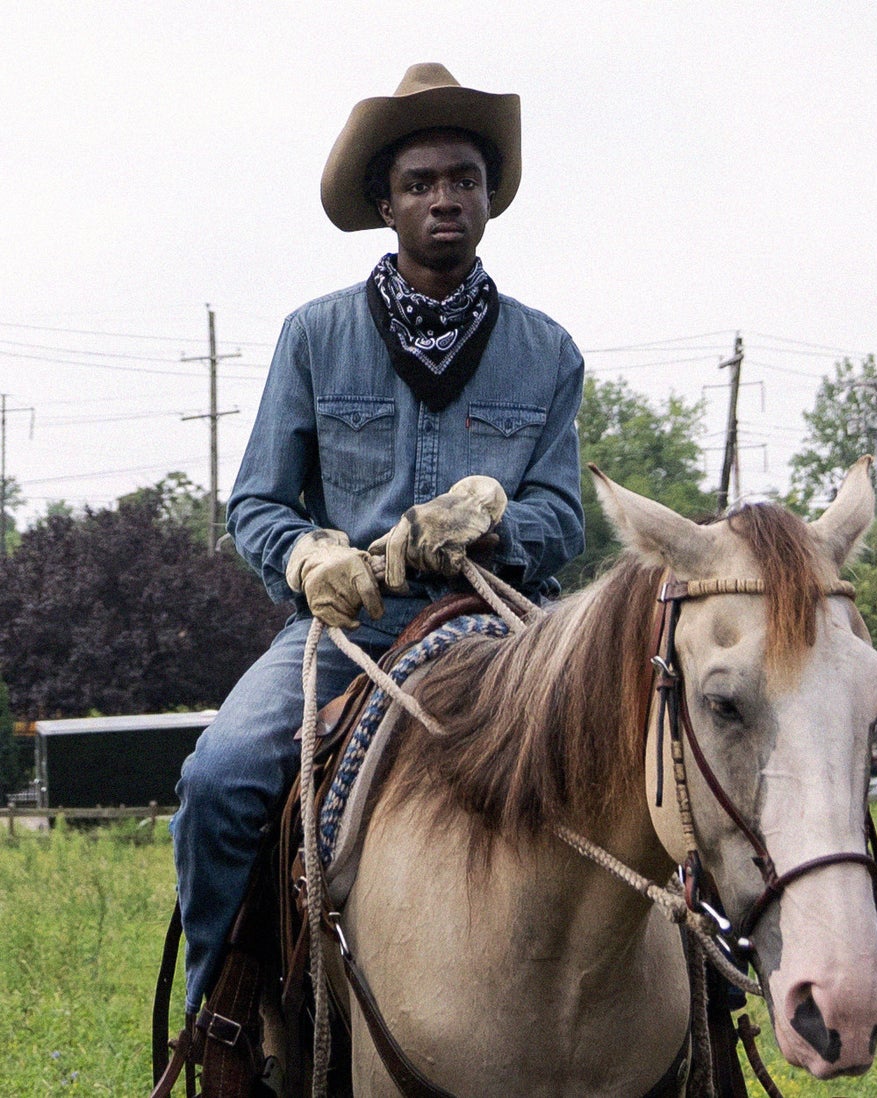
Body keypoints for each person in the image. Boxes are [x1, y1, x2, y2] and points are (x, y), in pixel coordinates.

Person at [170, 62, 586, 1019]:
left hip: (504, 622)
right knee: (221, 778)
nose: (446, 198)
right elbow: (258, 504)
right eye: (421, 183)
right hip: (347, 630)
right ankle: (221, 1021)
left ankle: (707, 1008)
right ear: (386, 204)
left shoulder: (548, 351)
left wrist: (497, 526)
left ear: (489, 200)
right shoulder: (314, 337)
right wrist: (311, 557)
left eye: (465, 180)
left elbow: (562, 516)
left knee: (650, 754)